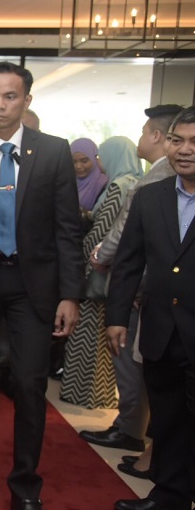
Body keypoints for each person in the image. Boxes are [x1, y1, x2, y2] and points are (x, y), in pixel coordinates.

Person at [0, 62, 84, 510]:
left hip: (35, 285)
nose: (0, 105)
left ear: (26, 100)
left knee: (30, 386)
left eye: (10, 96)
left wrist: (70, 293)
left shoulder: (53, 153)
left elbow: (67, 229)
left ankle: (26, 488)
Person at [106, 106, 195, 510]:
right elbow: (129, 262)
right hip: (160, 330)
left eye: (194, 142)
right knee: (169, 421)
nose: (185, 150)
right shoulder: (152, 195)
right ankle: (168, 498)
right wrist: (117, 317)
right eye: (178, 140)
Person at [82, 104, 184, 469]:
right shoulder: (158, 179)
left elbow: (124, 237)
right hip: (150, 290)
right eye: (179, 140)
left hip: (149, 293)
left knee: (138, 366)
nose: (183, 149)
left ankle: (135, 434)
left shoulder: (152, 180)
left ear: (156, 136)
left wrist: (98, 255)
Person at [60, 136, 143, 409]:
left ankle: (84, 394)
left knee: (88, 337)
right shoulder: (135, 182)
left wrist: (78, 256)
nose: (97, 162)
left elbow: (103, 232)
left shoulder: (119, 187)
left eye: (99, 156)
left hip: (97, 270)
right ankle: (103, 395)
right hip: (117, 273)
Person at [70, 138, 107, 228]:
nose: (78, 166)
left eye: (84, 161)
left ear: (94, 159)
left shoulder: (104, 184)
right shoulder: (67, 182)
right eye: (74, 161)